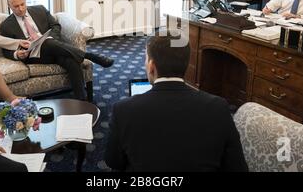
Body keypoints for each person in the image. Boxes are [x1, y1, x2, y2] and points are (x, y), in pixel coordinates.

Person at [104, 33, 248, 172]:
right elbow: (237, 167)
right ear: (185, 64)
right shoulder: (219, 107)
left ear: (151, 66)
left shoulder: (123, 110)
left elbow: (113, 161)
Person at [0, 0, 114, 101]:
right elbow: (6, 50)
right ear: (9, 6)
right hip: (33, 55)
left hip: (52, 47)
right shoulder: (6, 25)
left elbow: (55, 26)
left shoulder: (40, 9)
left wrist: (51, 39)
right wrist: (17, 54)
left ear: (25, 1)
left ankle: (82, 99)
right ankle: (90, 56)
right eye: (16, 6)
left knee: (70, 59)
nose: (20, 8)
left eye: (22, 4)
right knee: (47, 42)